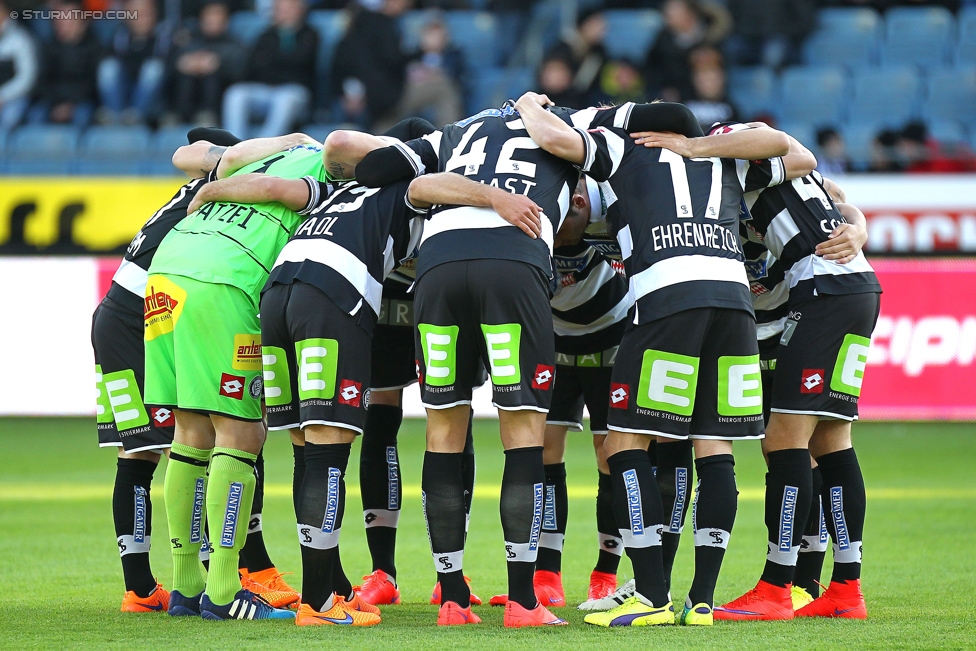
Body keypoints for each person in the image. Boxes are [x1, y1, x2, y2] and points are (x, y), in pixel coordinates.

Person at [518, 97, 816, 627]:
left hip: (667, 297)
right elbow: (790, 149)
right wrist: (701, 146)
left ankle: (651, 595)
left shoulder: (622, 146)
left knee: (623, 441)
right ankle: (701, 601)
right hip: (733, 302)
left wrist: (525, 103)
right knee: (714, 444)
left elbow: (556, 140)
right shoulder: (722, 157)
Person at [145, 132, 331, 621]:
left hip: (168, 269)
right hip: (225, 280)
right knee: (242, 432)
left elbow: (189, 154)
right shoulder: (328, 176)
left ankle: (187, 585)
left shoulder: (269, 153)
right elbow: (277, 193)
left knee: (190, 430)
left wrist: (287, 138)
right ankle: (225, 591)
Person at [707, 125, 882, 621]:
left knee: (784, 441)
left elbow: (779, 142)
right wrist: (859, 226)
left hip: (822, 295)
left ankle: (776, 587)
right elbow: (840, 199)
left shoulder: (742, 167)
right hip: (858, 290)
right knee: (832, 441)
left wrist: (699, 146)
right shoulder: (783, 174)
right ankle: (846, 589)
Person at [92, 128, 236, 614]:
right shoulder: (226, 200)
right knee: (176, 446)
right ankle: (175, 580)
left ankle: (141, 587)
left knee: (142, 454)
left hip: (121, 310)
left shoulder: (192, 192)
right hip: (142, 317)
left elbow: (186, 149)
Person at [222, 0, 318, 138]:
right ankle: (233, 145)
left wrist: (274, 62)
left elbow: (302, 64)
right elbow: (253, 65)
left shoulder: (310, 35)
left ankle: (264, 150)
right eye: (279, 9)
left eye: (288, 9)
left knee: (286, 98)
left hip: (294, 91)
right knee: (236, 93)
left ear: (300, 10)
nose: (283, 13)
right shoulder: (266, 35)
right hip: (265, 90)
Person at [331, 0, 409, 131]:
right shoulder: (380, 28)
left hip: (377, 98)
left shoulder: (365, 33)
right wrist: (351, 94)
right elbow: (340, 70)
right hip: (366, 98)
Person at [169, 0, 244, 125]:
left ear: (226, 21)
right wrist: (183, 62)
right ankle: (176, 116)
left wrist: (217, 62)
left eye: (217, 16)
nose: (213, 21)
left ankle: (208, 115)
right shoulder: (190, 39)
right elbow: (170, 63)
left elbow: (240, 70)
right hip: (185, 98)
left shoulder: (234, 42)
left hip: (218, 102)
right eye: (209, 17)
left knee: (212, 74)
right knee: (185, 74)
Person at [28, 1, 102, 127]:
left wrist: (70, 105)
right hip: (52, 103)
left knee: (82, 116)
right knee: (35, 116)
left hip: (83, 102)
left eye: (69, 21)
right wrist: (56, 105)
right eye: (59, 21)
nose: (64, 25)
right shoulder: (48, 48)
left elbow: (93, 85)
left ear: (82, 23)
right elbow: (42, 83)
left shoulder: (95, 49)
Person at [98, 0, 170, 124]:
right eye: (135, 14)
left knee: (153, 69)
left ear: (154, 14)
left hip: (156, 100)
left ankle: (134, 116)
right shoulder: (119, 36)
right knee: (108, 67)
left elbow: (170, 73)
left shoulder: (164, 38)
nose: (140, 20)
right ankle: (114, 116)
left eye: (145, 14)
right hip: (124, 91)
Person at [644, 0, 730, 102]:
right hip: (671, 94)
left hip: (704, 97)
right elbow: (651, 68)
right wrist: (664, 88)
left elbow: (722, 65)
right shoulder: (662, 38)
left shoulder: (712, 35)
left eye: (675, 9)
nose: (668, 13)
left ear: (690, 13)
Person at [395, 15, 465, 127]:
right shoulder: (411, 54)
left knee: (446, 88)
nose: (434, 39)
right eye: (431, 35)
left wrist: (434, 74)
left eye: (438, 35)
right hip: (411, 92)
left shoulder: (453, 54)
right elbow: (400, 74)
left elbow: (455, 75)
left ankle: (448, 135)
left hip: (439, 90)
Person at [0, 3, 38, 130]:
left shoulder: (20, 39)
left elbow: (26, 78)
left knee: (9, 117)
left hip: (13, 97)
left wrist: (3, 96)